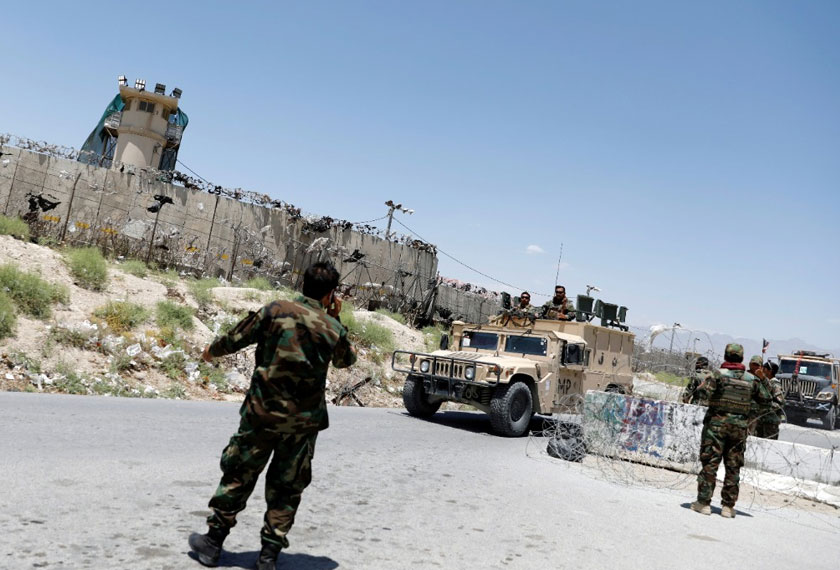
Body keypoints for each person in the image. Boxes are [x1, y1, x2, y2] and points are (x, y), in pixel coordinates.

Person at [189, 262, 357, 569]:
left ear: (301, 282)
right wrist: (335, 317)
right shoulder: (333, 328)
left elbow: (236, 337)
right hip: (302, 425)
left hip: (261, 414)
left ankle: (212, 544)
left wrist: (210, 352)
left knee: (239, 474)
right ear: (331, 293)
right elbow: (347, 360)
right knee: (287, 489)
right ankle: (268, 557)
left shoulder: (276, 310)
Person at [690, 343, 774, 519]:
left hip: (716, 427)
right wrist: (763, 381)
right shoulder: (752, 380)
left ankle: (704, 503)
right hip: (739, 429)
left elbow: (700, 395)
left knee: (710, 463)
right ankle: (728, 507)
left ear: (726, 356)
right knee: (733, 467)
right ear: (742, 359)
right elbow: (767, 401)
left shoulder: (718, 375)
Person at [754, 362, 784, 439]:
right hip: (761, 421)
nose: (761, 370)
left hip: (770, 423)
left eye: (764, 368)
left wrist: (766, 406)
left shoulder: (774, 383)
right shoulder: (762, 381)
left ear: (769, 371)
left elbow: (781, 401)